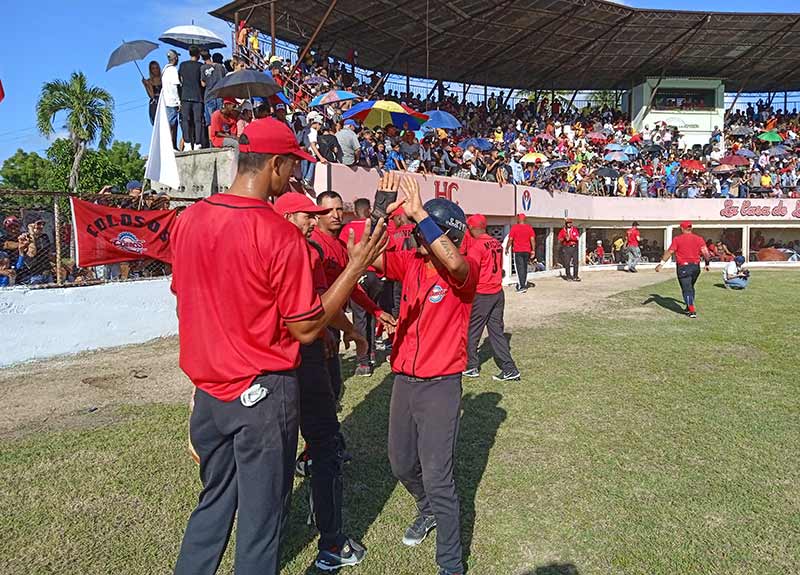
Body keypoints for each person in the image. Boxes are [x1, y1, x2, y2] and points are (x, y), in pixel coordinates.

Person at [170, 117, 388, 575]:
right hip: (263, 395)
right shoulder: (278, 234)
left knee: (212, 504)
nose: (294, 176)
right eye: (292, 166)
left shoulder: (187, 220)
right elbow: (307, 328)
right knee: (261, 520)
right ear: (276, 163)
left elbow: (187, 300)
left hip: (210, 395)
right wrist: (355, 268)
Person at [370, 171, 478, 575]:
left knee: (438, 475)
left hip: (440, 386)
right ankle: (426, 510)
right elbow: (359, 252)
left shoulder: (462, 272)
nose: (416, 239)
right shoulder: (413, 263)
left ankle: (451, 565)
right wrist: (380, 211)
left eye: (422, 232)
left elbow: (454, 260)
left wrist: (418, 214)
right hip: (404, 381)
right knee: (400, 463)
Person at [272, 191, 369, 570]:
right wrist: (348, 330)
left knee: (280, 455)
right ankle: (331, 542)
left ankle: (270, 542)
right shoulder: (305, 253)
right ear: (289, 216)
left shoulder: (261, 252)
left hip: (280, 362)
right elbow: (318, 306)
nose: (315, 221)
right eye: (308, 216)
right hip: (301, 357)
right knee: (323, 446)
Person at [311, 191, 396, 390]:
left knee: (332, 385)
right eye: (328, 210)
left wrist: (377, 311)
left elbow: (350, 285)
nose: (335, 215)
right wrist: (322, 329)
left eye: (339, 209)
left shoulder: (341, 245)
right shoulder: (313, 245)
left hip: (332, 321)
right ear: (318, 215)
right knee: (320, 389)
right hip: (317, 326)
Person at [463, 214, 521, 381]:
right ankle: (509, 368)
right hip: (497, 292)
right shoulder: (496, 243)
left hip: (483, 293)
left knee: (472, 331)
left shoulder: (476, 246)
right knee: (496, 332)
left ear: (473, 228)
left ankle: (471, 366)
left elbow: (471, 271)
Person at [339, 198, 386, 376]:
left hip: (359, 274)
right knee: (372, 313)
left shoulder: (348, 229)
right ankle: (371, 352)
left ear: (356, 211)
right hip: (376, 275)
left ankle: (363, 362)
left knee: (360, 317)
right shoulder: (377, 227)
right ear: (368, 210)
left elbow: (344, 252)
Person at [655, 221, 711, 318]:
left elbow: (670, 252)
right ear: (691, 228)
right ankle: (688, 306)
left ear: (682, 228)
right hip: (695, 267)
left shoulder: (677, 239)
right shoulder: (699, 239)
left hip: (683, 267)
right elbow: (706, 253)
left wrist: (661, 264)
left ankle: (692, 310)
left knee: (686, 289)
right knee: (690, 287)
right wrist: (707, 264)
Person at [178, 45, 204, 150]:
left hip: (185, 95)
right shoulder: (200, 66)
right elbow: (202, 82)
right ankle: (198, 143)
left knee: (185, 120)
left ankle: (187, 142)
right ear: (198, 54)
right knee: (198, 120)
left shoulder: (183, 65)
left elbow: (180, 79)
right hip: (197, 96)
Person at [506, 214, 535, 293]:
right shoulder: (529, 228)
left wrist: (507, 248)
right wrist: (533, 250)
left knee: (519, 268)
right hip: (527, 251)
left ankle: (521, 286)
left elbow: (510, 239)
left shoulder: (515, 227)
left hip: (518, 251)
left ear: (519, 219)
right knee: (524, 267)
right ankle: (524, 283)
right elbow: (532, 239)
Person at [200, 52, 226, 129]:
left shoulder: (203, 68)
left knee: (210, 122)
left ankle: (211, 140)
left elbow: (203, 84)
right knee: (220, 119)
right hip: (219, 95)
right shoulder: (221, 67)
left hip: (209, 95)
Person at [161, 50, 181, 150]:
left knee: (171, 123)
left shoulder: (164, 70)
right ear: (176, 58)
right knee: (172, 124)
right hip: (172, 100)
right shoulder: (173, 70)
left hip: (166, 100)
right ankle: (171, 146)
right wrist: (178, 101)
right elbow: (174, 86)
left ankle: (171, 145)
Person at [142, 60, 162, 125]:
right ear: (150, 70)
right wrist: (146, 85)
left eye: (156, 68)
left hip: (163, 101)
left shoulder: (163, 78)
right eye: (153, 68)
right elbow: (151, 96)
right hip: (154, 104)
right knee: (157, 123)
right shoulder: (149, 81)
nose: (155, 70)